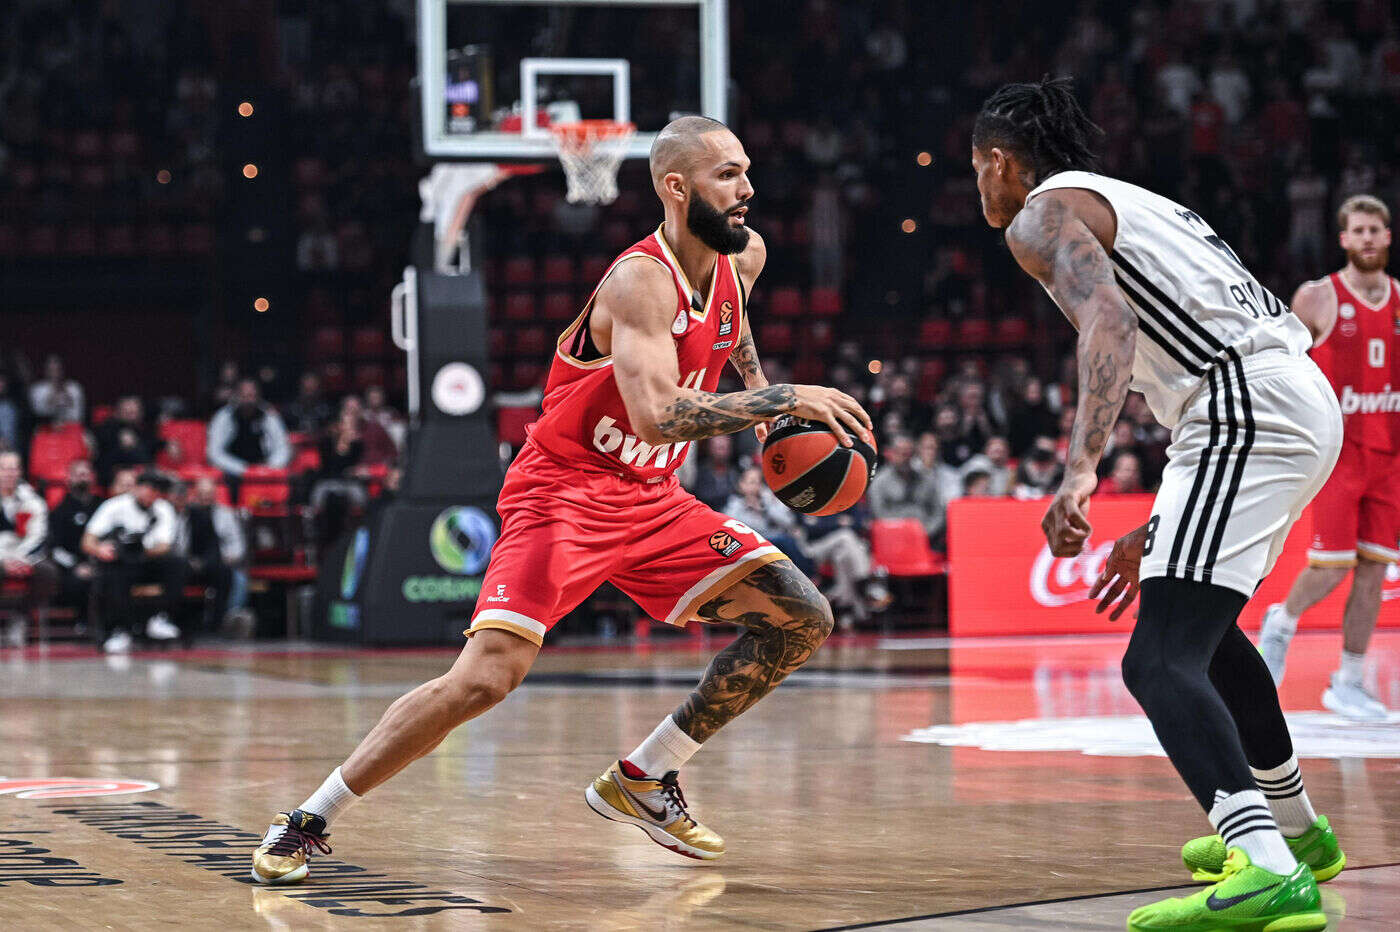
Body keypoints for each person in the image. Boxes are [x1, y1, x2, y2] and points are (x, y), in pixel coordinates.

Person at [251, 115, 871, 884]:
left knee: (801, 617)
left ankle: (646, 777)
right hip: (565, 494)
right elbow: (657, 414)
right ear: (677, 188)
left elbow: (731, 328)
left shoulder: (744, 257)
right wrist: (787, 395)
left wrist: (762, 403)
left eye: (747, 171)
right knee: (484, 680)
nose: (748, 190)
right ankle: (310, 817)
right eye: (728, 176)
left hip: (653, 497)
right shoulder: (639, 280)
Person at [974, 78, 1342, 931]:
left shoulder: (1041, 217)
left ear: (998, 163)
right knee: (1205, 641)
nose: (981, 190)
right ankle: (1297, 833)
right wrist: (1156, 528)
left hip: (1241, 406)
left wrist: (1079, 473)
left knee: (1157, 661)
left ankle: (1269, 868)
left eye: (977, 171)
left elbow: (1110, 327)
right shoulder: (1132, 201)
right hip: (1274, 400)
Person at [1255, 195, 1400, 720]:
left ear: (1387, 237)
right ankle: (1282, 622)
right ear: (1342, 239)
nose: (1366, 238)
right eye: (1357, 230)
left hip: (1390, 456)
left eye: (1374, 230)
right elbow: (1282, 369)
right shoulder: (1317, 297)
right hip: (1337, 452)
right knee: (1332, 567)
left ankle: (1350, 681)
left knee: (1374, 572)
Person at [83, 470, 185, 653]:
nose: (153, 494)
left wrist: (140, 550)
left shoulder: (163, 509)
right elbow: (88, 540)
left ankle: (160, 617)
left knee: (177, 564)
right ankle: (119, 630)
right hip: (120, 562)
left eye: (157, 490)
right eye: (149, 488)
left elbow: (164, 545)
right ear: (137, 488)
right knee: (116, 570)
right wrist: (100, 549)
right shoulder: (115, 506)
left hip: (147, 558)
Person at [173, 476, 250, 635]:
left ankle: (226, 621)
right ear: (195, 494)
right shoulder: (186, 514)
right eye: (202, 493)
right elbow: (178, 543)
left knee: (235, 577)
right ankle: (181, 624)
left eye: (209, 493)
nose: (205, 497)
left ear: (215, 494)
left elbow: (238, 545)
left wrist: (228, 557)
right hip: (190, 562)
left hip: (221, 562)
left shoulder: (225, 514)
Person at [0, 452, 55, 645]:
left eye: (14, 468)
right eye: (4, 468)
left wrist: (18, 559)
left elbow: (38, 535)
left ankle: (20, 616)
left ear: (20, 471)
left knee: (48, 572)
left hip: (24, 556)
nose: (9, 473)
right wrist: (3, 561)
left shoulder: (32, 501)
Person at [207, 379, 292, 494]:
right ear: (237, 396)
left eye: (251, 396)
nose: (248, 400)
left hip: (264, 472)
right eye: (244, 395)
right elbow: (214, 453)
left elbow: (283, 448)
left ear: (258, 396)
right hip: (233, 472)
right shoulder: (224, 417)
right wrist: (242, 469)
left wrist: (269, 467)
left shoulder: (269, 416)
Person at [40, 459, 102, 613]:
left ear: (93, 477)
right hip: (71, 566)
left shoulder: (103, 506)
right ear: (69, 478)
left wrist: (96, 564)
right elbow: (54, 549)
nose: (82, 477)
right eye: (78, 474)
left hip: (101, 562)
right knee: (75, 582)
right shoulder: (59, 511)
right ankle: (80, 623)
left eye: (85, 474)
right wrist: (76, 565)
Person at [868, 434, 946, 549]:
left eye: (909, 453)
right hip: (892, 539)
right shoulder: (879, 482)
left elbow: (938, 512)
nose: (905, 458)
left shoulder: (925, 479)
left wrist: (927, 531)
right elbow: (878, 514)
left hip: (926, 537)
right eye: (901, 453)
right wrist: (901, 532)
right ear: (891, 453)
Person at [94, 395, 157, 485]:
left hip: (141, 477)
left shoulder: (146, 431)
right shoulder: (105, 429)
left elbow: (148, 456)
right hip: (112, 478)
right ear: (117, 412)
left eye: (134, 412)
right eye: (127, 412)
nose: (131, 416)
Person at [28, 354, 84, 425]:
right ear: (45, 370)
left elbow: (78, 415)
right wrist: (51, 400)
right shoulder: (37, 389)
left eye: (57, 369)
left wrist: (68, 400)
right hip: (47, 429)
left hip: (71, 427)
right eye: (51, 370)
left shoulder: (74, 387)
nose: (55, 373)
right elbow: (38, 412)